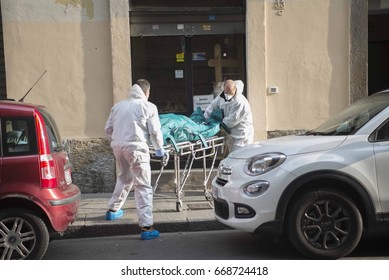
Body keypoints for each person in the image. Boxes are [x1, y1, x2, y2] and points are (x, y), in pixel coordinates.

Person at [104, 79, 166, 240]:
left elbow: (108, 129)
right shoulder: (148, 106)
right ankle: (146, 227)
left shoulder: (118, 106)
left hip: (119, 146)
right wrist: (159, 149)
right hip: (137, 148)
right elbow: (155, 131)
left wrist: (115, 142)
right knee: (143, 185)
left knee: (124, 177)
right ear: (147, 92)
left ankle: (112, 210)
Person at [204, 79, 254, 153]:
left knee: (240, 156)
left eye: (231, 93)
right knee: (233, 156)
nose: (228, 95)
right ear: (224, 89)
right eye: (227, 92)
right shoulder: (221, 97)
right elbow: (212, 107)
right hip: (231, 134)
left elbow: (232, 121)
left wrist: (217, 125)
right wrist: (205, 118)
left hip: (242, 133)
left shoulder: (240, 102)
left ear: (235, 89)